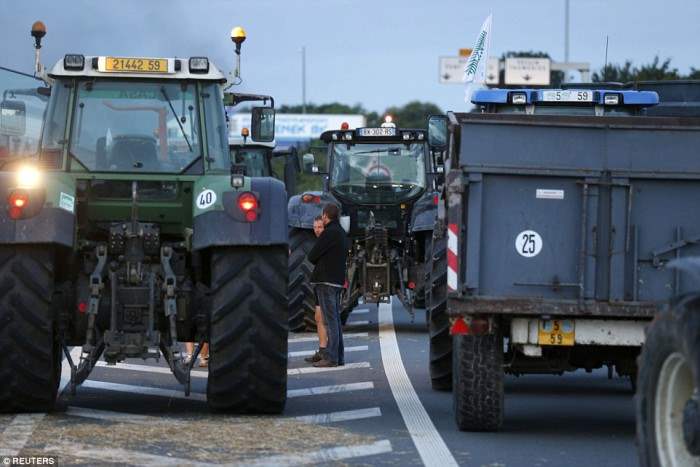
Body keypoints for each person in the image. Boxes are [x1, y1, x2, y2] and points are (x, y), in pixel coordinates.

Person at [307, 204, 348, 367]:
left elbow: (312, 256)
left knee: (330, 321)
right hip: (337, 280)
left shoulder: (329, 233)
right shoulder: (342, 233)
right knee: (335, 320)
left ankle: (331, 358)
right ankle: (339, 356)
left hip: (325, 280)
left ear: (325, 216)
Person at [305, 216, 329, 363]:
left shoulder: (326, 242)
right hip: (318, 282)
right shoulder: (319, 242)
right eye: (315, 227)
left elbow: (312, 257)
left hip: (326, 283)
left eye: (319, 227)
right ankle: (322, 350)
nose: (316, 230)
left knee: (325, 318)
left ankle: (327, 350)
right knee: (318, 317)